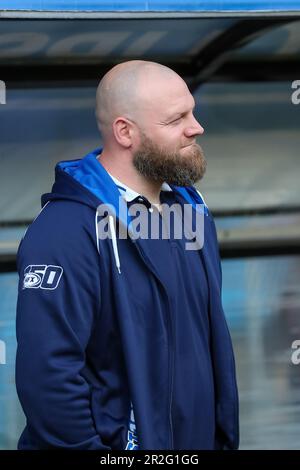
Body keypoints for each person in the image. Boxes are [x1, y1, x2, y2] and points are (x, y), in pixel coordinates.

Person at [16, 60, 239, 450]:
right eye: (176, 119)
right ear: (125, 131)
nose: (196, 127)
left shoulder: (192, 212)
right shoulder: (65, 230)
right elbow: (48, 376)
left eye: (193, 111)